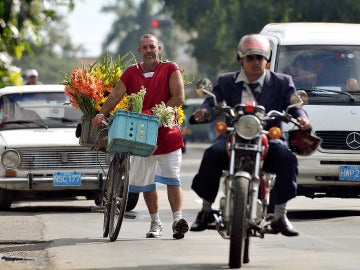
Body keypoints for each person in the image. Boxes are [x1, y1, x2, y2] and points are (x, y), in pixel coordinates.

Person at [190, 34, 311, 237]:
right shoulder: (227, 81)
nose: (256, 62)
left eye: (260, 57)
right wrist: (203, 111)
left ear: (267, 60)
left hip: (268, 137)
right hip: (232, 136)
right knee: (212, 154)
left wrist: (302, 118)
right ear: (241, 60)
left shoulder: (282, 82)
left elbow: (294, 105)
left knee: (287, 158)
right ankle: (206, 211)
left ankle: (280, 215)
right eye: (250, 57)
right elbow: (212, 101)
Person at [92, 34, 189, 239]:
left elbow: (179, 97)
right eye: (144, 47)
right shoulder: (131, 73)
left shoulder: (170, 68)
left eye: (152, 47)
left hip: (166, 132)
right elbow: (116, 95)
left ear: (159, 49)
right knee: (146, 182)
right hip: (141, 134)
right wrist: (102, 113)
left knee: (173, 177)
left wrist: (156, 114)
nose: (148, 51)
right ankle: (155, 223)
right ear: (139, 51)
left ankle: (178, 220)